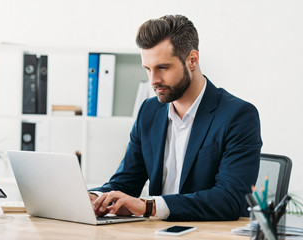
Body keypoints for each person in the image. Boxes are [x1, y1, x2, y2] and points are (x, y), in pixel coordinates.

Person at [89, 14, 262, 221]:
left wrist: (149, 206)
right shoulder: (149, 111)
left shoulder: (238, 116)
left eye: (163, 67)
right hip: (156, 233)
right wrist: (94, 197)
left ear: (192, 60)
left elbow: (229, 199)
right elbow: (126, 182)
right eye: (148, 69)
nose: (153, 80)